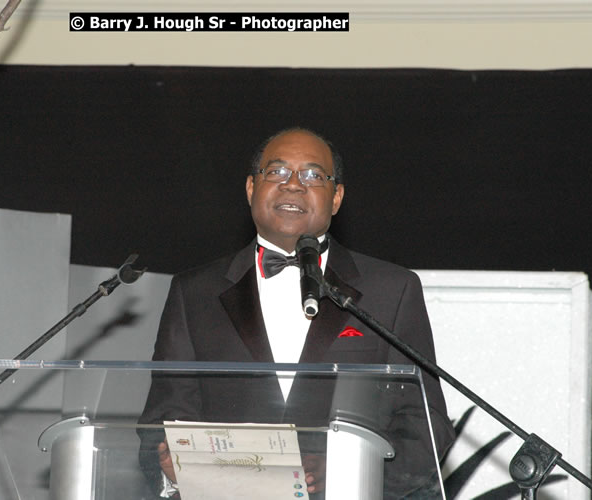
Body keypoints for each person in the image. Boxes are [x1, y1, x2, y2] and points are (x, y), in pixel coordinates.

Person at [138, 128, 455, 499]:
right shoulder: (194, 292)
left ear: (336, 197)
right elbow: (161, 424)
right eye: (276, 172)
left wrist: (346, 471)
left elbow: (426, 427)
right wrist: (172, 468)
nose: (292, 185)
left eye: (312, 175)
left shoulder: (392, 290)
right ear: (251, 189)